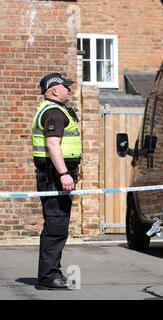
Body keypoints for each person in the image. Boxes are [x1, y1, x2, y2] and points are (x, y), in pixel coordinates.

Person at [32, 73, 81, 290]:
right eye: (66, 87)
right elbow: (53, 145)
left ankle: (53, 273)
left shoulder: (55, 110)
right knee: (55, 226)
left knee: (57, 225)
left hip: (54, 176)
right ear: (53, 90)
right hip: (54, 177)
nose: (69, 90)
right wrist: (63, 174)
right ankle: (48, 277)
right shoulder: (53, 112)